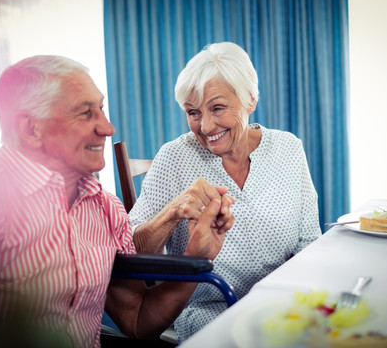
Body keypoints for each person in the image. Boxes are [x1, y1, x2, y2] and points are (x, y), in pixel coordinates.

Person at [0, 55, 230, 348]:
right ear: (30, 129)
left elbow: (136, 322)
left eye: (101, 109)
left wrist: (195, 259)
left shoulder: (107, 208)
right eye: (85, 113)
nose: (107, 127)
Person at [129, 42, 322, 342]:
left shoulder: (288, 149)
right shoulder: (174, 158)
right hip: (212, 312)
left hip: (284, 308)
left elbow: (310, 242)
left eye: (217, 108)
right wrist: (173, 211)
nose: (206, 126)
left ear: (250, 99)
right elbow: (128, 251)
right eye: (193, 113)